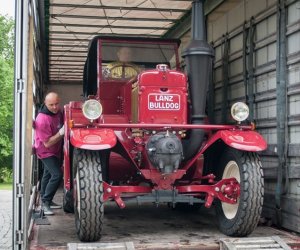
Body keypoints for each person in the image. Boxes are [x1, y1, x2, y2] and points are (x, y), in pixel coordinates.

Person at [34, 92, 64, 215]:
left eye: (57, 104)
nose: (55, 107)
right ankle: (45, 203)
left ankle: (46, 200)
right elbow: (47, 143)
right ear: (45, 104)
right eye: (51, 105)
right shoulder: (42, 119)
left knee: (47, 174)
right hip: (45, 151)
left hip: (55, 150)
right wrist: (62, 132)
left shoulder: (58, 112)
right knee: (57, 175)